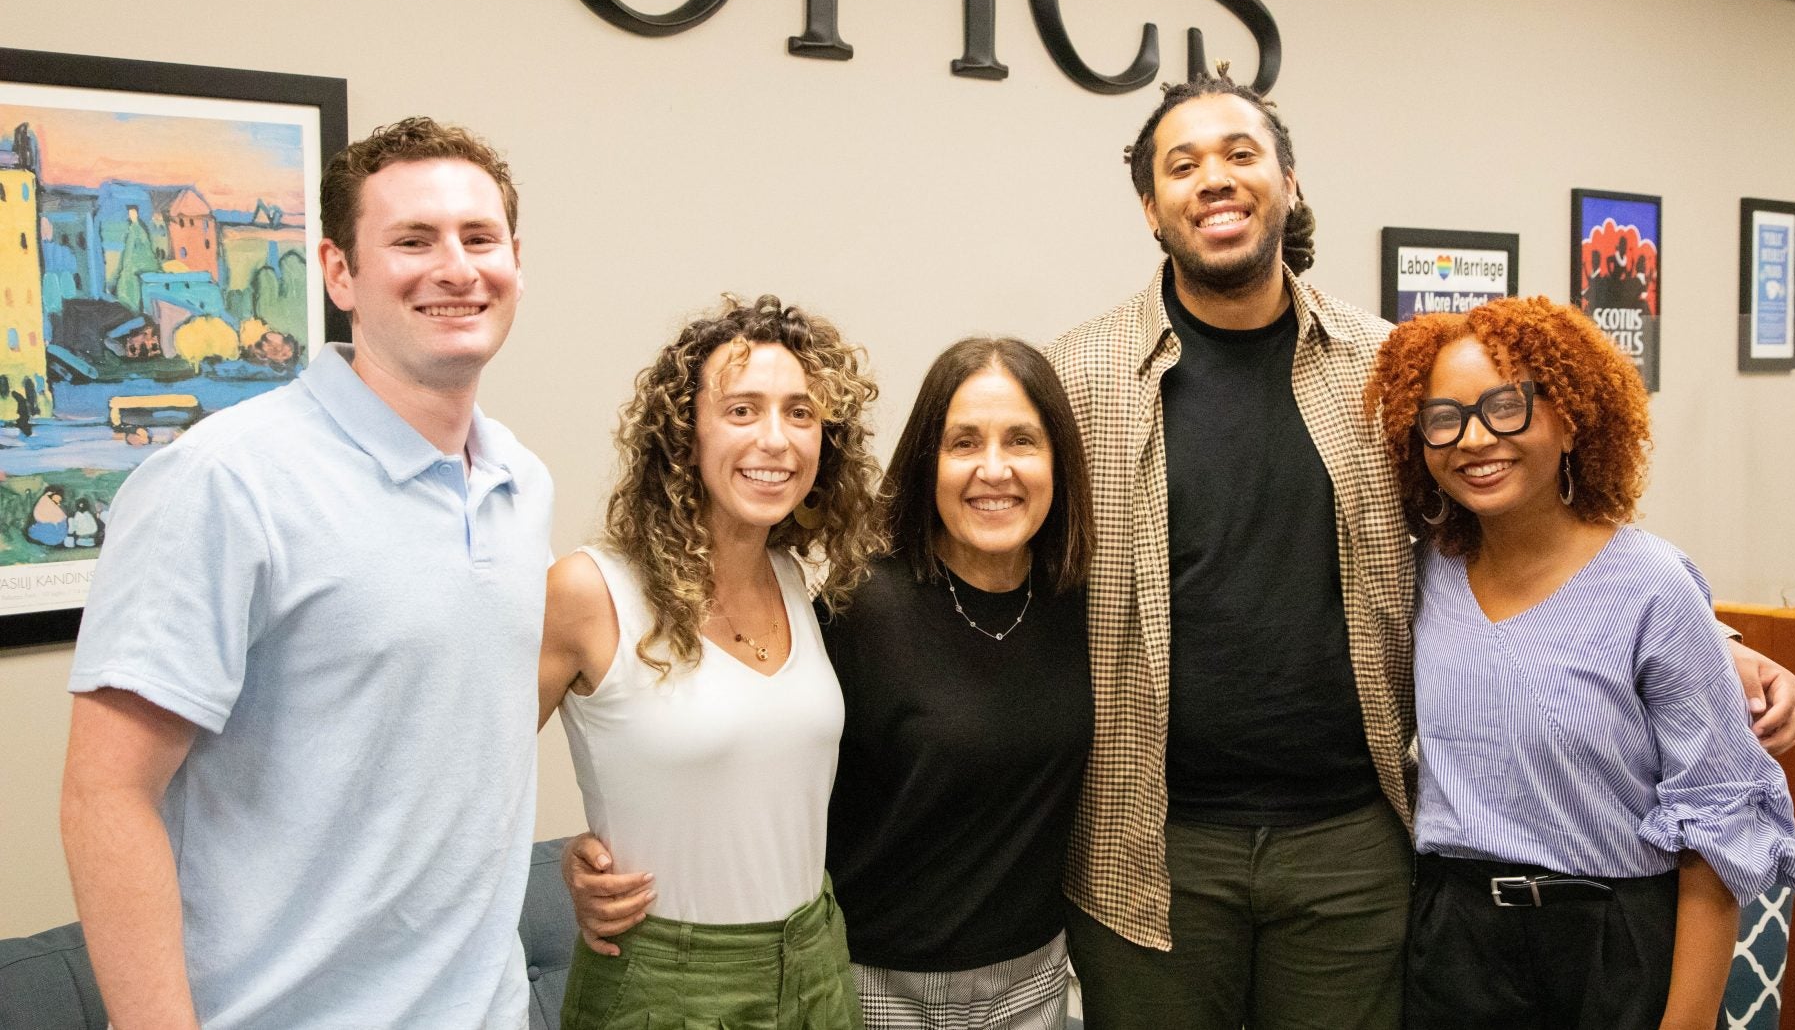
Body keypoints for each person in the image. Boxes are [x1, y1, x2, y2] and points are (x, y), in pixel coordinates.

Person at [1042, 66, 1795, 1030]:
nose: (1216, 179)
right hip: (1150, 842)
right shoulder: (1078, 375)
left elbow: (1505, 518)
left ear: (1290, 182)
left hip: (1354, 842)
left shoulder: (1384, 366)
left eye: (1242, 154)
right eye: (1183, 164)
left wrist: (1708, 641)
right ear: (1152, 207)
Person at [59, 117, 548, 1030]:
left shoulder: (523, 482)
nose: (455, 267)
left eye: (479, 238)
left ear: (514, 260)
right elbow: (105, 793)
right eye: (412, 240)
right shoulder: (223, 482)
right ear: (338, 273)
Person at [567, 337, 1095, 1029]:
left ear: (1059, 462)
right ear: (927, 464)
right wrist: (589, 855)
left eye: (1021, 440)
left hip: (1032, 978)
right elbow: (753, 756)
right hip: (877, 984)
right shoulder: (857, 604)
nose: (993, 469)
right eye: (964, 442)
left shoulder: (1083, 602)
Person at [1365, 297, 1795, 1028]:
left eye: (1506, 406)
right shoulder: (1423, 577)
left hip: (1613, 945)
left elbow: (1716, 818)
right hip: (1453, 944)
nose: (1474, 438)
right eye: (1442, 418)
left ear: (1572, 417)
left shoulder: (1655, 586)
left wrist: (1689, 1020)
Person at [538, 294, 882, 1030]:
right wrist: (564, 861)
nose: (777, 439)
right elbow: (458, 782)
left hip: (816, 966)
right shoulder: (591, 592)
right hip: (666, 985)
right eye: (742, 410)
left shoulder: (798, 580)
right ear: (683, 433)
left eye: (800, 412)